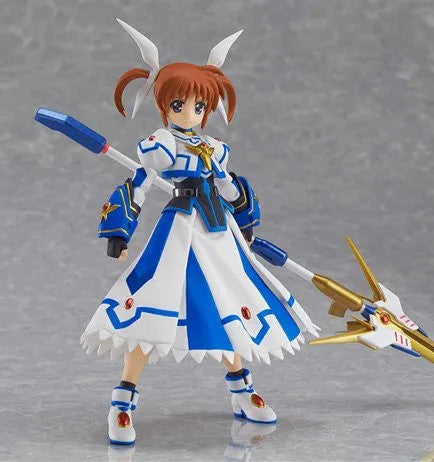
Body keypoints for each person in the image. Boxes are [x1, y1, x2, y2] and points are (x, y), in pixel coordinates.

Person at [80, 20, 319, 445]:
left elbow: (229, 188)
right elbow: (138, 183)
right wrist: (120, 232)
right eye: (179, 104)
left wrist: (243, 217)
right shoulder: (161, 144)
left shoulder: (214, 148)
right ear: (164, 105)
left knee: (228, 306)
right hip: (178, 233)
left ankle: (243, 393)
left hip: (217, 232)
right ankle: (122, 402)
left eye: (198, 106)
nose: (190, 113)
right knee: (151, 311)